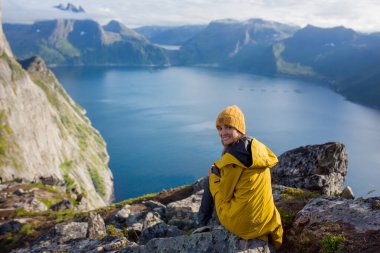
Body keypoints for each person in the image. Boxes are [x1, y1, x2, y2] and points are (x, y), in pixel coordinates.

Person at [195, 105, 283, 250]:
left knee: (209, 179)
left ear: (238, 128)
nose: (223, 132)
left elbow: (225, 195)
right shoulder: (257, 149)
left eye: (228, 127)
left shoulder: (233, 158)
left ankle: (201, 223)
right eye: (220, 128)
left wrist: (214, 178)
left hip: (245, 224)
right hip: (265, 219)